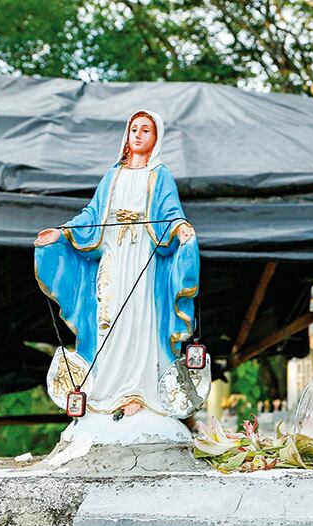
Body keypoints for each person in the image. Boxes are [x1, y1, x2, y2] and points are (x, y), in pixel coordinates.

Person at [34, 110, 202, 423]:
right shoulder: (113, 175)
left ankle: (140, 391)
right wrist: (62, 232)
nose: (137, 135)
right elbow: (92, 215)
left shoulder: (159, 175)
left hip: (143, 258)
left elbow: (171, 213)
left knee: (140, 319)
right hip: (114, 254)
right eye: (133, 129)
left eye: (145, 130)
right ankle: (105, 391)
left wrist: (181, 230)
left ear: (156, 138)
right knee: (107, 317)